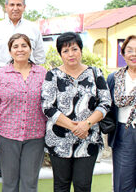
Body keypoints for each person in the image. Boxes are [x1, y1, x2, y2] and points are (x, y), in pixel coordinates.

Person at [41, 32, 111, 192]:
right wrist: (74, 127)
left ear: (81, 50)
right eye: (65, 51)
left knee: (83, 185)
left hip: (88, 139)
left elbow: (106, 103)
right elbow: (47, 107)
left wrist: (86, 124)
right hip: (59, 140)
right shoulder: (52, 75)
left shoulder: (95, 73)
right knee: (61, 186)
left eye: (74, 49)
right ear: (60, 54)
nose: (71, 54)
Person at [0, 33, 47, 192]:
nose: (20, 49)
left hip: (35, 137)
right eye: (15, 46)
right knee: (9, 184)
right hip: (6, 137)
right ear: (10, 51)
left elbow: (48, 106)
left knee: (30, 184)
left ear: (30, 49)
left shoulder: (42, 73)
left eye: (24, 46)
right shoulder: (0, 74)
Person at [0, 0, 45, 70]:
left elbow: (39, 55)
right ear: (6, 7)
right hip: (3, 76)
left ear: (24, 7)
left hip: (28, 76)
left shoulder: (33, 28)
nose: (15, 8)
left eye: (19, 5)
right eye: (12, 5)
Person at [107, 35, 136, 192]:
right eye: (129, 50)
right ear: (123, 54)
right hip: (123, 134)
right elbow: (105, 105)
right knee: (123, 183)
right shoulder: (114, 78)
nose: (134, 54)